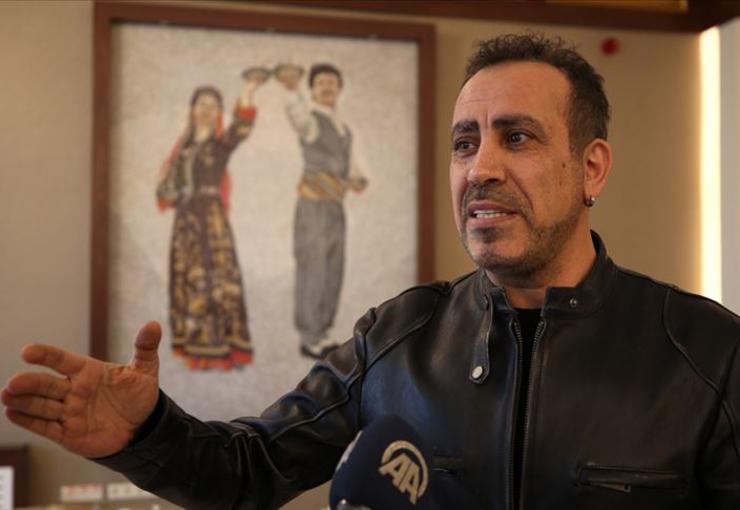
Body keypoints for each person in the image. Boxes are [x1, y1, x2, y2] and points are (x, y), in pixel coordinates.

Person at [3, 34, 739, 510]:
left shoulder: (708, 354)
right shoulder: (396, 338)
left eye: (516, 138)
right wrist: (143, 433)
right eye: (464, 144)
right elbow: (247, 469)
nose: (480, 168)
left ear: (591, 168)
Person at [155, 75, 264, 370]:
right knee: (188, 279)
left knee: (216, 279)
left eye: (213, 106)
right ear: (192, 109)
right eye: (201, 104)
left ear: (219, 113)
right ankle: (195, 348)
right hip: (185, 222)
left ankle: (222, 348)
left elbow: (241, 128)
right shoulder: (182, 150)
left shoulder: (219, 146)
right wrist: (171, 189)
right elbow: (164, 190)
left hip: (211, 219)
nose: (206, 110)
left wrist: (248, 90)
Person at [275, 62, 369, 359]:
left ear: (340, 88)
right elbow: (298, 116)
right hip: (313, 207)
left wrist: (356, 179)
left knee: (333, 267)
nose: (327, 88)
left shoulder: (344, 129)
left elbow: (351, 167)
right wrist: (292, 91)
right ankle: (310, 336)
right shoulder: (311, 120)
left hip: (335, 207)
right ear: (313, 90)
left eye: (332, 83)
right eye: (321, 83)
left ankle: (324, 331)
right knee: (313, 267)